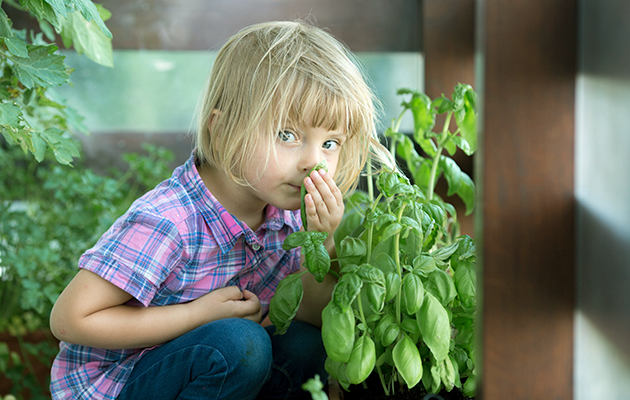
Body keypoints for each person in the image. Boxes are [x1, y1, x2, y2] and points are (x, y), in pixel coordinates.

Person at [49, 20, 390, 400]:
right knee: (238, 344)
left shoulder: (288, 217)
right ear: (222, 129)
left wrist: (321, 243)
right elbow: (71, 319)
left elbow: (308, 315)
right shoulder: (170, 220)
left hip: (207, 373)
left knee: (307, 345)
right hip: (117, 384)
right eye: (287, 135)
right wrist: (198, 315)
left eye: (330, 142)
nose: (314, 161)